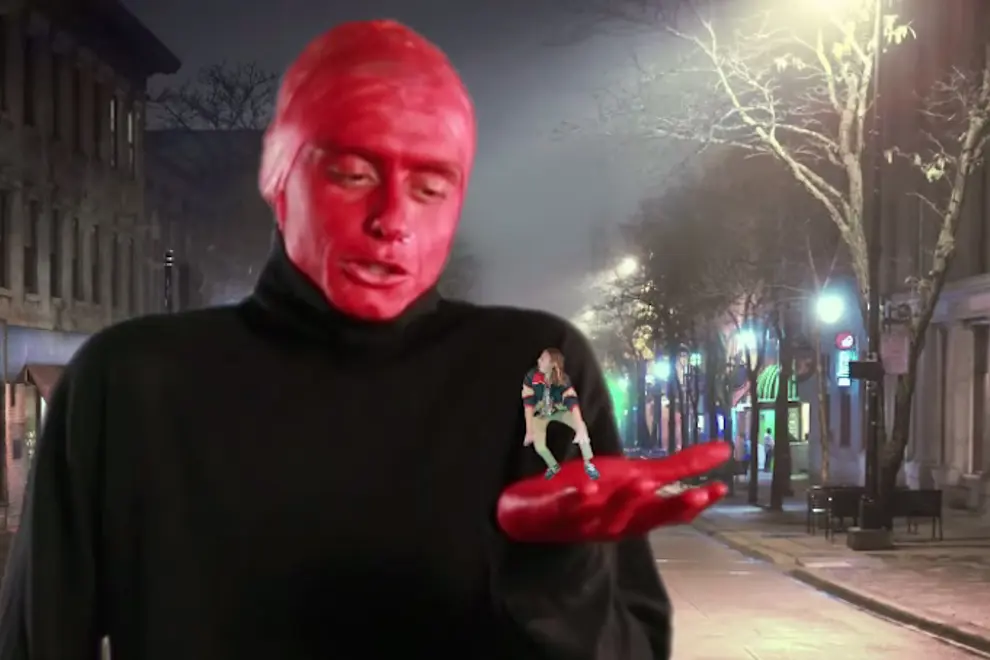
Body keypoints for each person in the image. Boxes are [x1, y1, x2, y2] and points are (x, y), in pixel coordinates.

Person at [0, 20, 730, 659]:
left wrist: (563, 570)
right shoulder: (131, 384)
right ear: (278, 178)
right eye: (352, 174)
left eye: (430, 187)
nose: (392, 220)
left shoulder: (535, 370)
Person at [522, 348, 599, 480]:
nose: (538, 361)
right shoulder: (531, 377)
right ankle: (553, 466)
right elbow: (528, 404)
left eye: (543, 359)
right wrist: (529, 430)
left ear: (552, 364)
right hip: (540, 413)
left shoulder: (563, 380)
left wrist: (579, 427)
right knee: (539, 446)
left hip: (559, 410)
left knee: (581, 427)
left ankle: (589, 464)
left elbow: (572, 403)